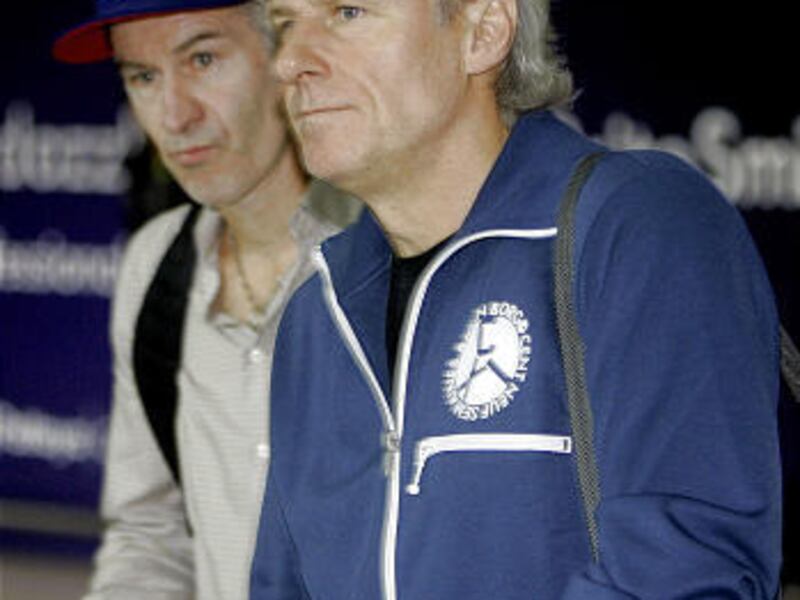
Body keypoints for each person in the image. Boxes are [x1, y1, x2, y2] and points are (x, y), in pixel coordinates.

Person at [248, 0, 782, 596]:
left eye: (347, 12)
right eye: (285, 24)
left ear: (483, 31)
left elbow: (684, 574)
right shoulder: (317, 314)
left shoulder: (638, 223)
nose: (288, 62)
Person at [52, 1, 359, 598]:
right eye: (143, 76)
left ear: (286, 54)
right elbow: (152, 534)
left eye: (202, 59)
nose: (175, 115)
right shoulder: (155, 268)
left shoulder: (396, 254)